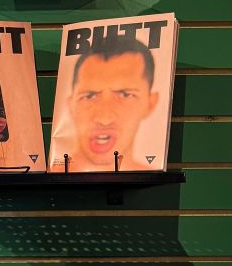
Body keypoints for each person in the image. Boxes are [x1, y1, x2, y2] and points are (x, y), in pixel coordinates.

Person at [64, 34, 161, 169]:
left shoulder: (156, 182)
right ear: (71, 105)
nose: (104, 119)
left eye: (125, 95)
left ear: (150, 103)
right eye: (89, 96)